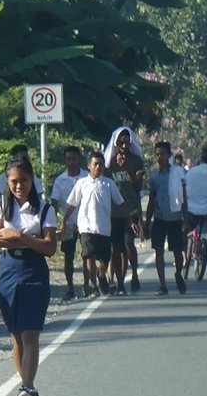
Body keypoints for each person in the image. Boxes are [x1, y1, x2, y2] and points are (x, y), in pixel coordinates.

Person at [0, 155, 57, 396]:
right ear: (7, 181)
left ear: (32, 180)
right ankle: (27, 387)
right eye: (14, 181)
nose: (20, 186)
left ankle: (27, 387)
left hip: (34, 271)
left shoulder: (44, 209)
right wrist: (31, 239)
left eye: (24, 181)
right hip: (8, 269)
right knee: (16, 334)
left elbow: (49, 247)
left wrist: (17, 235)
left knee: (31, 332)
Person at [63, 154, 124, 297]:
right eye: (95, 164)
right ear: (89, 166)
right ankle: (94, 285)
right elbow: (72, 204)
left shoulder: (108, 183)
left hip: (104, 228)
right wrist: (64, 221)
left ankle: (101, 275)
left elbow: (120, 202)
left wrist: (132, 221)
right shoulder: (82, 183)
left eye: (101, 164)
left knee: (104, 259)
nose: (98, 167)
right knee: (89, 255)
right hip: (86, 227)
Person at [105, 127, 146, 294]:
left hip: (131, 209)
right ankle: (120, 283)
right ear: (116, 143)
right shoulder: (109, 164)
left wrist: (129, 169)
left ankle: (134, 274)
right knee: (116, 247)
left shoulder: (137, 161)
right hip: (114, 212)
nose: (124, 145)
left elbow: (138, 186)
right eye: (121, 142)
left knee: (128, 243)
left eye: (127, 142)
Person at [145, 141, 188, 295]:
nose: (159, 157)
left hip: (175, 218)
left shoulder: (178, 173)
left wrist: (186, 220)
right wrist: (146, 222)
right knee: (159, 251)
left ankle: (178, 273)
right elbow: (151, 199)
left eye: (162, 154)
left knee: (178, 252)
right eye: (157, 154)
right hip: (159, 217)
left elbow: (183, 198)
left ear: (169, 155)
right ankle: (162, 284)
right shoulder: (154, 176)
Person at [50, 146, 89, 301]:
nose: (72, 162)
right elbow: (54, 202)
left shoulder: (87, 177)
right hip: (69, 224)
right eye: (68, 159)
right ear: (65, 161)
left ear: (79, 160)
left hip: (86, 223)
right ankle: (70, 288)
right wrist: (52, 222)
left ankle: (87, 285)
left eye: (74, 158)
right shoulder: (60, 180)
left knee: (87, 255)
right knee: (68, 256)